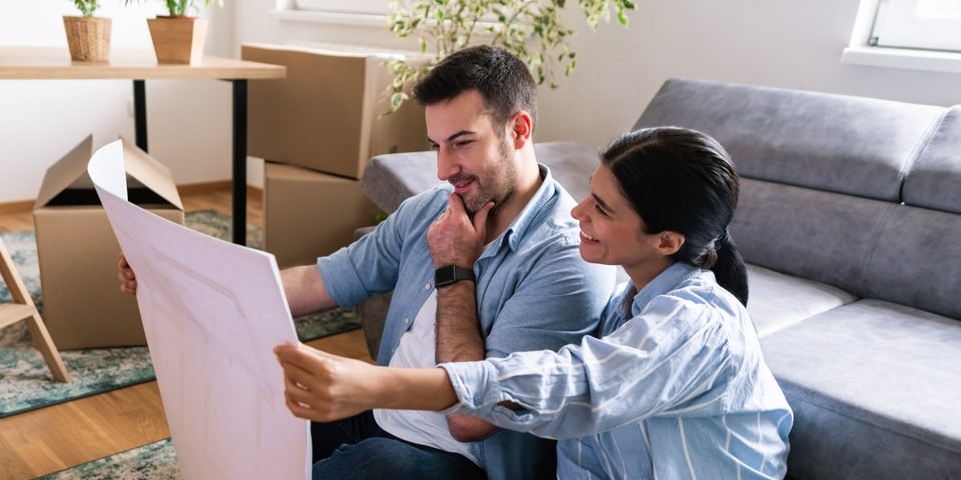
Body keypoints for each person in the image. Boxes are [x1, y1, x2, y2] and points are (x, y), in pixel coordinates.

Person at [120, 45, 616, 479]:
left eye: (462, 143)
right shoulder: (429, 210)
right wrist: (175, 278)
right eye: (436, 147)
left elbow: (471, 417)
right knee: (245, 420)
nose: (444, 171)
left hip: (462, 458)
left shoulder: (569, 260)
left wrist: (454, 269)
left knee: (367, 467)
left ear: (520, 130)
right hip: (383, 412)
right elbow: (319, 281)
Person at [274, 127, 795, 479]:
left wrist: (370, 382)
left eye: (602, 208)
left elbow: (569, 386)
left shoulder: (696, 327)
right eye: (589, 195)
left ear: (667, 240)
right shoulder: (626, 308)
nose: (577, 214)